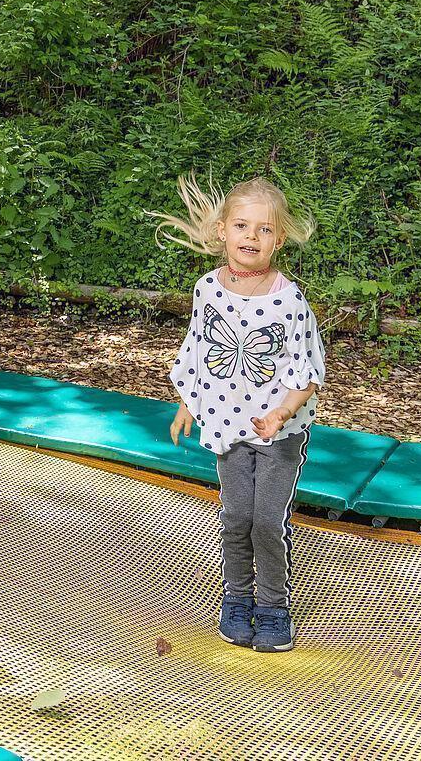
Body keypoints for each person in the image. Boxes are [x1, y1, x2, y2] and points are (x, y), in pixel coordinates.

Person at [159, 174, 324, 653]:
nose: (252, 237)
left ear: (281, 238)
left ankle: (272, 607)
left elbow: (307, 369)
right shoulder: (207, 288)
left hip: (280, 430)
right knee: (236, 518)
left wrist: (282, 413)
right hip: (230, 425)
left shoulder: (288, 299)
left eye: (265, 230)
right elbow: (199, 348)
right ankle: (236, 598)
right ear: (222, 232)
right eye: (242, 226)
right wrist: (188, 401)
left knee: (267, 520)